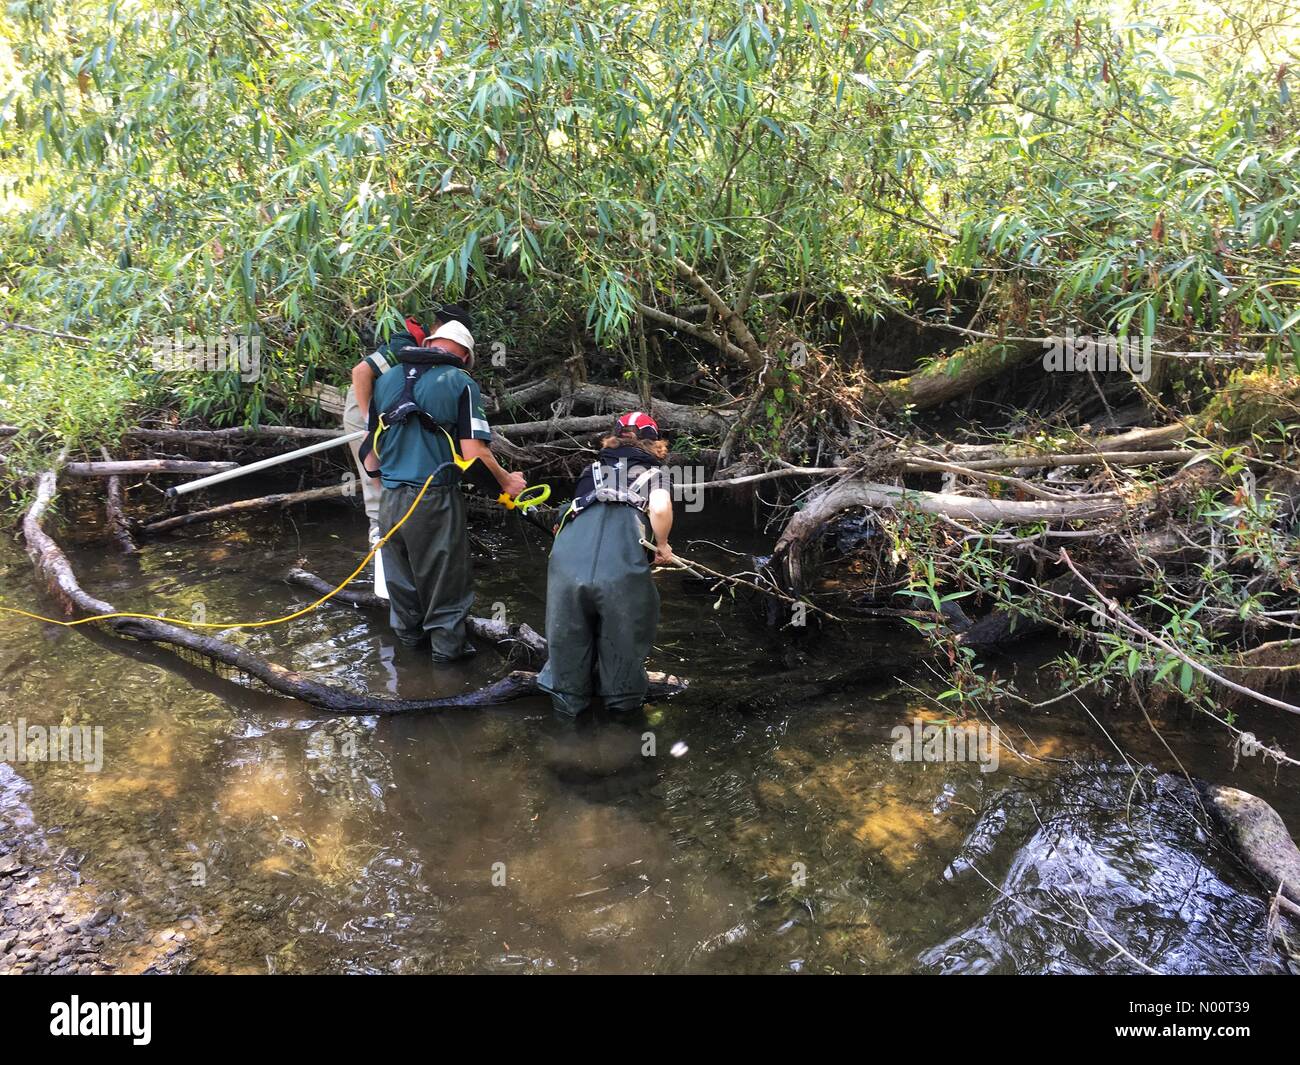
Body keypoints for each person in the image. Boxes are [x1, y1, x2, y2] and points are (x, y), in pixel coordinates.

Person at [361, 318, 526, 662]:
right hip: (432, 498)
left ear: (429, 345)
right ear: (464, 355)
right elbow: (475, 454)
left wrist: (385, 481)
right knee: (445, 585)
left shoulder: (387, 378)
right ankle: (447, 665)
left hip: (391, 498)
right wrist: (508, 482)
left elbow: (369, 450)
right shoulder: (461, 382)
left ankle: (409, 661)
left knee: (402, 583)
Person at [538, 412, 675, 718]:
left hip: (567, 563)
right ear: (654, 444)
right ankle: (621, 716)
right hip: (620, 568)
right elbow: (660, 508)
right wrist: (663, 545)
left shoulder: (592, 469)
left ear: (613, 439)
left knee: (568, 637)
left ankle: (566, 713)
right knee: (623, 637)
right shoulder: (655, 474)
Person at [342, 303, 474, 545]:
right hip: (366, 398)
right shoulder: (407, 341)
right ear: (438, 327)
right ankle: (378, 525)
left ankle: (403, 521)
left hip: (394, 400)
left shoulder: (434, 353)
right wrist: (369, 421)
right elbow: (361, 372)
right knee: (373, 460)